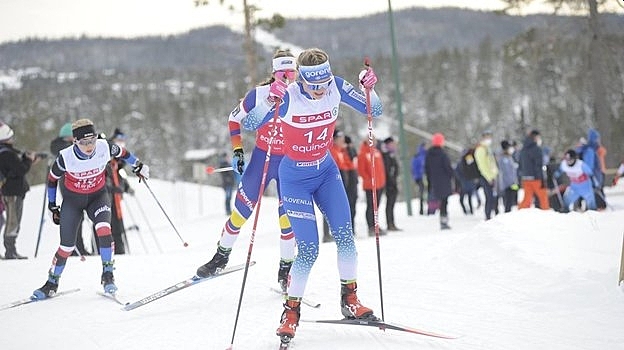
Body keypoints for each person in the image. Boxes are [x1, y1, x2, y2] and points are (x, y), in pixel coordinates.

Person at [242, 47, 382, 340]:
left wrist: (368, 88)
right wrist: (270, 97)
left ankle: (350, 300)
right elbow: (250, 123)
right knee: (309, 250)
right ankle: (291, 312)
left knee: (346, 237)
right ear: (301, 80)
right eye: (313, 85)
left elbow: (375, 110)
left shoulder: (335, 87)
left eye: (324, 83)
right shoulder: (289, 95)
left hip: (326, 173)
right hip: (294, 179)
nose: (320, 91)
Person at [196, 49, 298, 294]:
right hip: (262, 158)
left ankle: (286, 270)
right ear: (274, 73)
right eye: (283, 73)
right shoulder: (259, 94)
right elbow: (234, 119)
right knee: (241, 212)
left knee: (288, 219)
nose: (288, 78)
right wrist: (238, 150)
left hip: (289, 162)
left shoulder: (302, 94)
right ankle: (220, 257)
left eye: (292, 73)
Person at [32, 118, 150, 299]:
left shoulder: (104, 146)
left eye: (92, 140)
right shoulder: (65, 156)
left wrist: (138, 165)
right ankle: (52, 282)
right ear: (75, 141)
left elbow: (125, 154)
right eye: (84, 142)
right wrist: (52, 204)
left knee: (104, 229)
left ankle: (108, 274)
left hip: (97, 197)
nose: (89, 146)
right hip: (73, 201)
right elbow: (52, 179)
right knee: (67, 246)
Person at [0, 122, 44, 259]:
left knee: (13, 220)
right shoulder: (6, 154)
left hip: (12, 191)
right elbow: (20, 169)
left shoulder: (7, 152)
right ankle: (10, 250)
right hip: (12, 192)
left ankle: (11, 249)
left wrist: (26, 158)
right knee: (13, 221)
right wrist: (29, 161)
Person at [49, 122, 91, 256]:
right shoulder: (61, 147)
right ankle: (74, 247)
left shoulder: (66, 146)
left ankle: (79, 246)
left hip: (76, 182)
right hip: (68, 182)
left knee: (79, 215)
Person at [104, 128, 135, 254]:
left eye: (123, 141)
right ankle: (108, 250)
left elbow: (120, 176)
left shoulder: (118, 161)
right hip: (106, 198)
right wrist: (111, 188)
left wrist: (126, 188)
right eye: (119, 140)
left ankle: (120, 249)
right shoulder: (107, 155)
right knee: (107, 225)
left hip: (116, 199)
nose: (121, 143)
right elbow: (104, 177)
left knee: (117, 225)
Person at [357, 136, 386, 236]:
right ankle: (371, 226)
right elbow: (361, 170)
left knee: (376, 206)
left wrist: (382, 180)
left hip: (379, 184)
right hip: (370, 185)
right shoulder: (363, 153)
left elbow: (380, 168)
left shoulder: (377, 152)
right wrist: (369, 179)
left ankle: (376, 225)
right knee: (371, 206)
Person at [424, 133, 453, 230]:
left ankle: (436, 214)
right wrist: (452, 176)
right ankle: (444, 221)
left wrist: (430, 180)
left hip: (434, 181)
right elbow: (448, 168)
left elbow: (427, 169)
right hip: (444, 181)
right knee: (444, 201)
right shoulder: (443, 154)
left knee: (438, 200)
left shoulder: (429, 154)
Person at [517, 130, 550, 210]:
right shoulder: (537, 149)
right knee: (543, 198)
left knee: (527, 200)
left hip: (525, 178)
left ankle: (518, 214)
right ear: (535, 137)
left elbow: (520, 165)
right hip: (536, 178)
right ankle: (547, 215)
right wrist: (542, 180)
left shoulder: (523, 150)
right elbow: (538, 165)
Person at [474, 131, 499, 220]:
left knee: (494, 197)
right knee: (489, 197)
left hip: (492, 176)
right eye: (487, 137)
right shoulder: (480, 149)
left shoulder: (487, 148)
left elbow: (491, 162)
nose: (489, 139)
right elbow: (482, 165)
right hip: (486, 177)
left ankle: (495, 213)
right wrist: (489, 177)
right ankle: (488, 216)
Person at [381, 137, 400, 231]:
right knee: (389, 204)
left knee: (391, 204)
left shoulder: (391, 154)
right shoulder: (386, 155)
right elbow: (387, 170)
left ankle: (392, 223)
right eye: (392, 144)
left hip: (393, 182)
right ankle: (390, 223)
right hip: (389, 184)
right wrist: (391, 182)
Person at [497, 140, 519, 213]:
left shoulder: (509, 157)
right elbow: (506, 172)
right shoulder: (503, 159)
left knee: (512, 202)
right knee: (508, 203)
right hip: (508, 184)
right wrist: (512, 183)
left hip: (512, 183)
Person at [343, 135, 359, 233]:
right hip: (347, 182)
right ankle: (347, 229)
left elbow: (354, 159)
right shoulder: (342, 152)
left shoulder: (351, 150)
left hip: (353, 180)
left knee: (353, 207)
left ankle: (352, 228)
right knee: (347, 207)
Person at [411, 142, 427, 215]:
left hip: (426, 177)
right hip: (420, 178)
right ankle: (421, 210)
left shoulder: (427, 155)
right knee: (422, 193)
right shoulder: (417, 157)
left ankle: (431, 208)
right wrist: (416, 177)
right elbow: (414, 168)